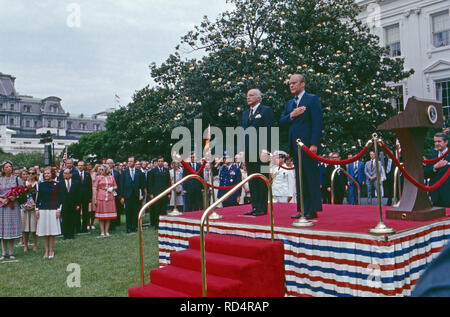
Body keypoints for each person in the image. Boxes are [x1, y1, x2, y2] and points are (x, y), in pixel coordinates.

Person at [280, 74, 323, 219]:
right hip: (295, 146)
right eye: (290, 84)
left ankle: (313, 209)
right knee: (299, 179)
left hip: (308, 146)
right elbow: (282, 121)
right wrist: (292, 115)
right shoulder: (289, 104)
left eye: (294, 83)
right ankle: (302, 208)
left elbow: (317, 122)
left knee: (310, 177)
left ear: (302, 84)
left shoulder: (312, 99)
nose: (291, 86)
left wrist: (314, 143)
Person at [241, 88, 274, 216]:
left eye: (251, 95)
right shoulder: (245, 114)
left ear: (259, 98)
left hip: (261, 151)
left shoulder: (266, 110)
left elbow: (269, 130)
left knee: (262, 178)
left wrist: (267, 150)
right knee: (252, 179)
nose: (248, 97)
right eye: (247, 95)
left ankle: (262, 207)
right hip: (249, 151)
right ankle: (254, 206)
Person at [35, 167, 61, 259]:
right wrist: (37, 209)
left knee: (52, 231)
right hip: (43, 210)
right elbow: (38, 198)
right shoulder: (41, 185)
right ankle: (46, 250)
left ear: (52, 174)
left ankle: (51, 250)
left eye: (48, 173)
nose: (46, 175)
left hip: (53, 209)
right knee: (45, 231)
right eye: (45, 173)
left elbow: (60, 198)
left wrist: (59, 209)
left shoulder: (57, 184)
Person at [0, 161, 23, 261]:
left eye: (10, 166)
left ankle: (11, 252)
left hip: (13, 206)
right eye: (7, 167)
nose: (9, 168)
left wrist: (15, 197)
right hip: (2, 206)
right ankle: (4, 253)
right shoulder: (0, 180)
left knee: (11, 229)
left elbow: (22, 192)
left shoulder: (17, 179)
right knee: (3, 230)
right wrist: (2, 200)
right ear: (3, 169)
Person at [424, 132, 450, 207]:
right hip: (436, 196)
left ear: (446, 142)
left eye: (439, 141)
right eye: (435, 141)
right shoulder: (432, 156)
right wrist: (434, 167)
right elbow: (425, 173)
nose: (437, 144)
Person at [120, 156, 145, 233]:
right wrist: (122, 196)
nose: (129, 163)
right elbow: (122, 185)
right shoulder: (124, 172)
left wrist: (142, 194)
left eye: (131, 161)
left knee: (135, 211)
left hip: (136, 195)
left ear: (134, 162)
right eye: (128, 161)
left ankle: (134, 227)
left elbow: (142, 185)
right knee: (128, 212)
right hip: (127, 195)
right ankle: (128, 227)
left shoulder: (139, 172)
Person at [93, 165, 117, 237]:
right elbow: (95, 188)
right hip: (101, 196)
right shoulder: (98, 177)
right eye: (100, 170)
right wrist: (95, 199)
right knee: (101, 216)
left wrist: (112, 188)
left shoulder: (111, 177)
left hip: (110, 197)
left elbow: (116, 186)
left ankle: (107, 231)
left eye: (102, 170)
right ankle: (102, 232)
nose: (101, 171)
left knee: (108, 215)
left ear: (106, 170)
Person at [147, 156, 171, 227]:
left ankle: (164, 223)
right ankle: (156, 224)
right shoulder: (153, 171)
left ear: (163, 162)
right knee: (157, 209)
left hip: (164, 193)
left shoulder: (166, 170)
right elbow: (150, 183)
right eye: (159, 161)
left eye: (162, 161)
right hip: (156, 194)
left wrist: (169, 193)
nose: (160, 162)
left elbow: (168, 182)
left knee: (164, 209)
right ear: (157, 162)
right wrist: (151, 193)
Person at [58, 168, 81, 240]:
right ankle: (65, 234)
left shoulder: (76, 182)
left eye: (67, 173)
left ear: (71, 174)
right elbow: (59, 195)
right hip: (64, 204)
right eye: (64, 173)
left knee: (72, 218)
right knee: (64, 219)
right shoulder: (60, 183)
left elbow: (78, 194)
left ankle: (71, 234)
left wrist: (78, 204)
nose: (65, 175)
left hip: (73, 204)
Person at [22, 167, 39, 252]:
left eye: (33, 173)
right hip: (25, 208)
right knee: (25, 228)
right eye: (29, 173)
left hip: (34, 208)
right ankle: (25, 245)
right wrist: (25, 204)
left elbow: (39, 197)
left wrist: (35, 206)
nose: (30, 175)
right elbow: (20, 197)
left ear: (35, 174)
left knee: (34, 228)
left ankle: (35, 245)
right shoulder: (24, 184)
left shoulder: (38, 184)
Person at [77, 160, 92, 233]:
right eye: (79, 165)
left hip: (85, 196)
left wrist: (90, 197)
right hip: (77, 196)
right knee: (77, 212)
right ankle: (77, 228)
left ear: (84, 166)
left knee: (85, 212)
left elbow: (90, 186)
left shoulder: (87, 174)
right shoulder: (74, 174)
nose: (80, 167)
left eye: (81, 165)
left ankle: (84, 228)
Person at [107, 159, 122, 231]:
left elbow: (119, 183)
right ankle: (108, 224)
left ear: (113, 164)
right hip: (107, 194)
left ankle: (115, 223)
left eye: (110, 163)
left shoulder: (116, 173)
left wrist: (119, 194)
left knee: (116, 208)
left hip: (115, 193)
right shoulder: (103, 173)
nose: (109, 164)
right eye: (107, 163)